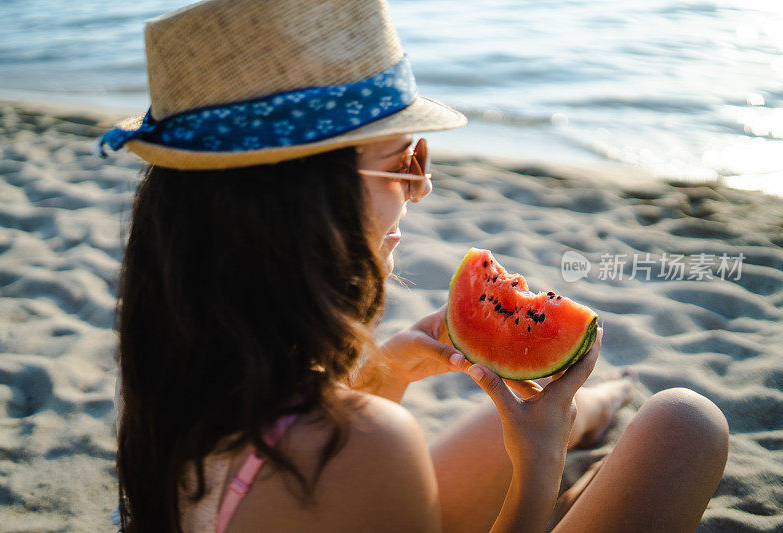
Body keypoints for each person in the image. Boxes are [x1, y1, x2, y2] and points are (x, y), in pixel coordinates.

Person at [98, 1, 729, 531]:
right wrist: (538, 470)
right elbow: (352, 455)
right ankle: (581, 442)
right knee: (686, 424)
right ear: (313, 200)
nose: (420, 188)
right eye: (405, 161)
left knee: (512, 423)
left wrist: (387, 372)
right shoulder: (370, 447)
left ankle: (599, 405)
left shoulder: (176, 368)